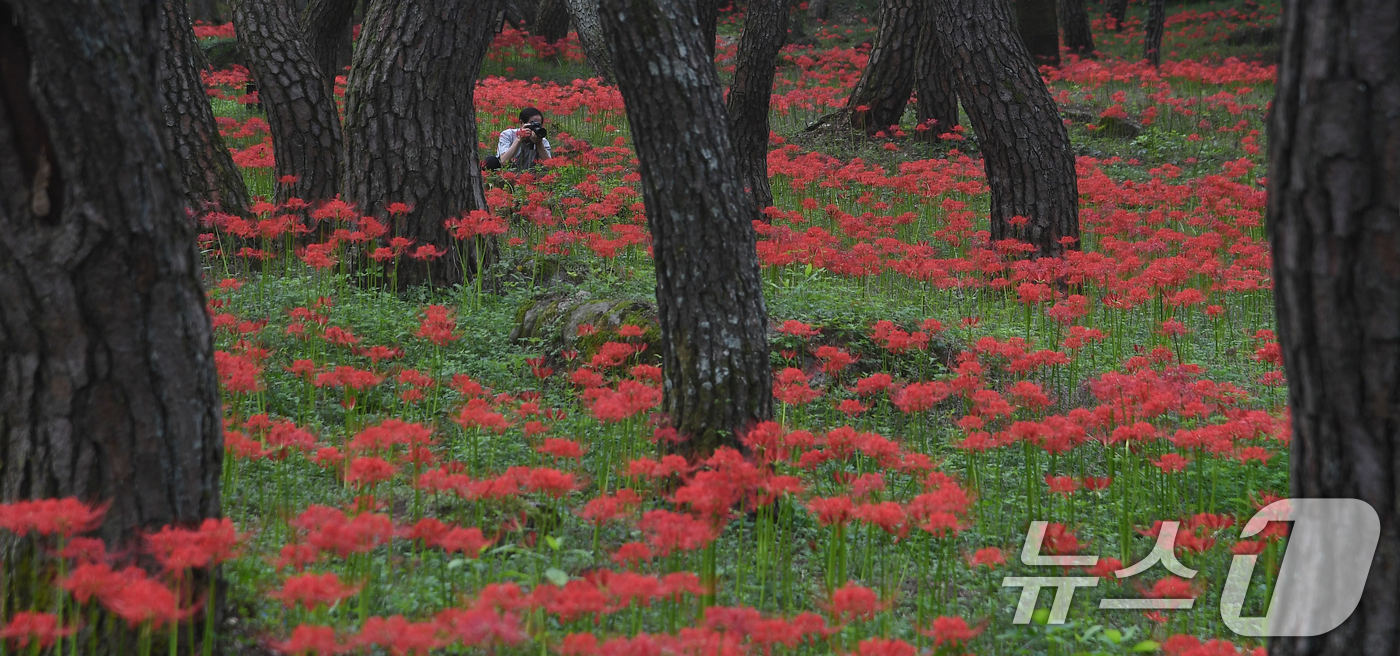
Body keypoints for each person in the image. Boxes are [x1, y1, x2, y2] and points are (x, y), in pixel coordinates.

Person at [486, 107, 552, 170]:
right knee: (490, 160)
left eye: (538, 125)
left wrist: (539, 144)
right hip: (506, 175)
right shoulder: (508, 135)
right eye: (532, 124)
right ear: (521, 123)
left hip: (532, 178)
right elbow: (504, 161)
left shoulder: (543, 141)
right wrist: (519, 139)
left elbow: (550, 167)